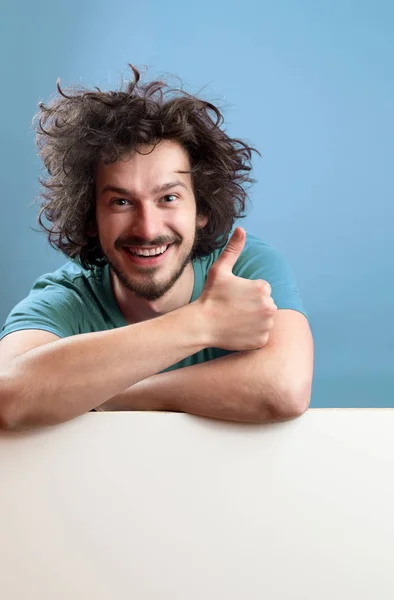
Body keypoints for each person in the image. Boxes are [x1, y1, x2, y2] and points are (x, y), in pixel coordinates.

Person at [0, 64, 314, 431]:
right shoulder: (69, 298)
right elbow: (7, 394)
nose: (147, 229)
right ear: (89, 215)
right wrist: (202, 323)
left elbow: (284, 388)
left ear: (202, 209)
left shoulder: (246, 267)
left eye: (168, 197)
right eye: (120, 202)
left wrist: (109, 394)